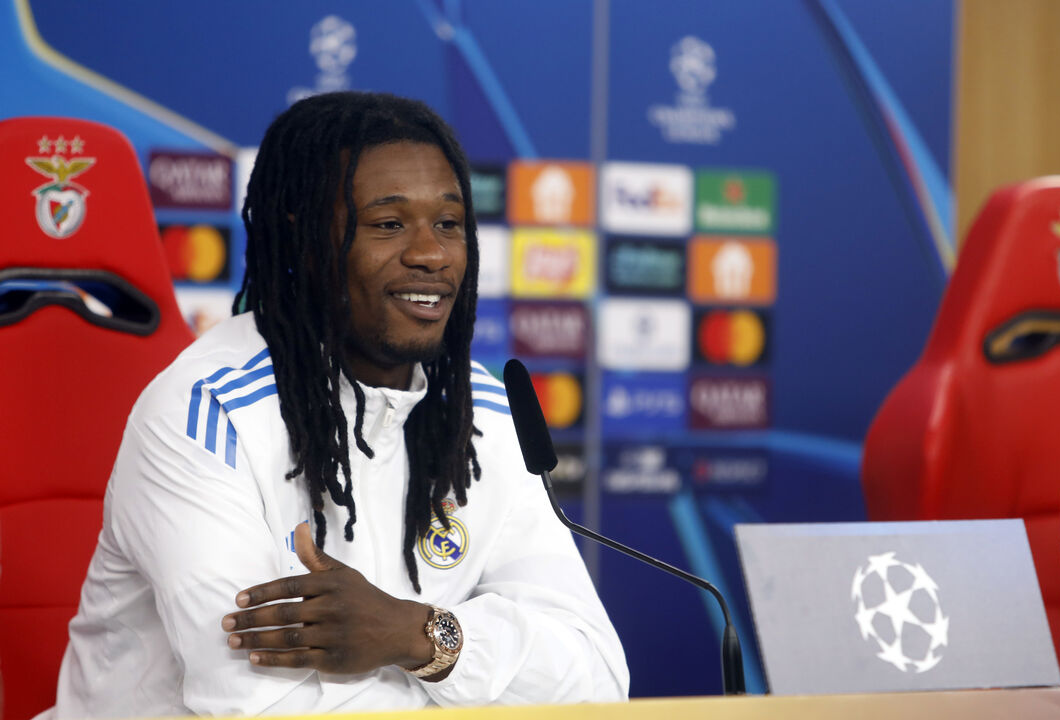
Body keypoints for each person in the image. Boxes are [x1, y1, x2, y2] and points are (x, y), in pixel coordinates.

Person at [46, 92, 629, 718]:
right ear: (305, 239)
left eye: (449, 224)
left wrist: (418, 636)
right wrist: (478, 672)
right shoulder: (205, 415)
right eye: (388, 224)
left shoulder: (482, 415)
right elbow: (262, 705)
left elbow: (594, 679)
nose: (431, 254)